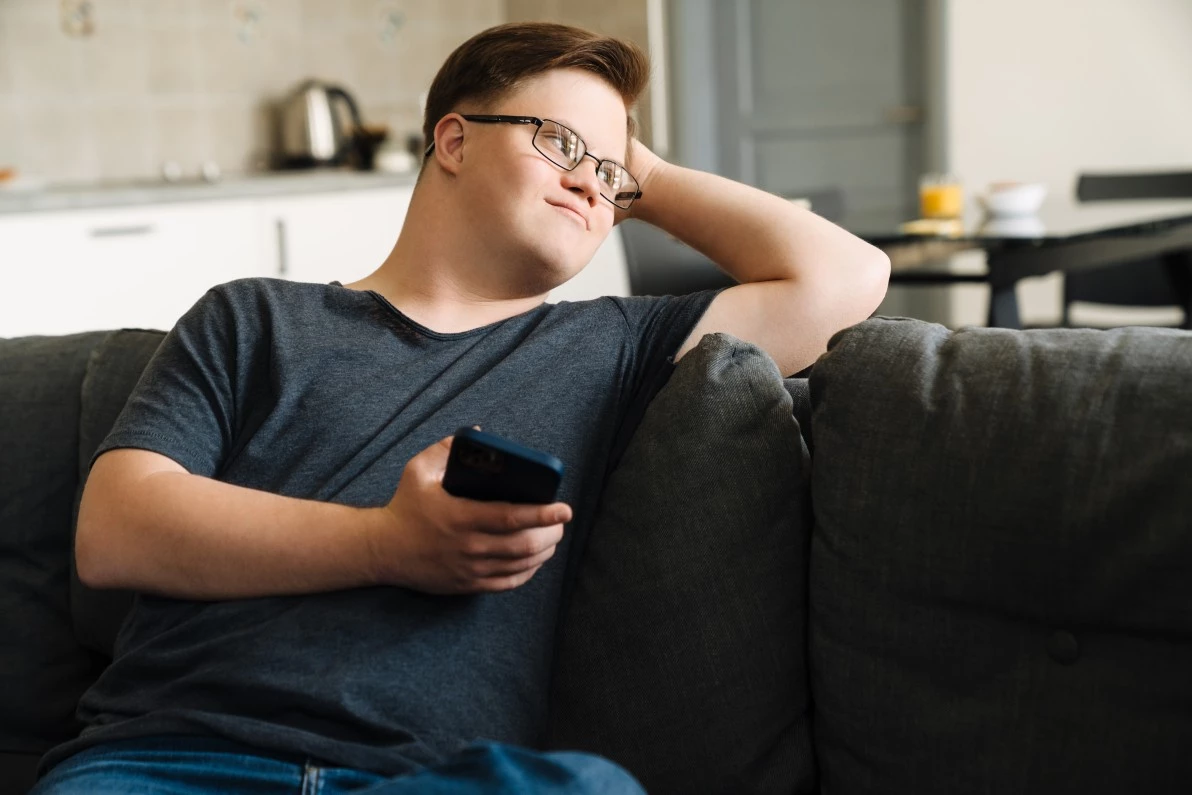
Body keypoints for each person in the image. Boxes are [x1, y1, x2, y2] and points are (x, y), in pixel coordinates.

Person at [31, 21, 889, 795]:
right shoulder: (254, 317)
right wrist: (386, 545)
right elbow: (115, 530)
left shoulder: (616, 347)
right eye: (559, 144)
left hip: (431, 777)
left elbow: (845, 279)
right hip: (169, 759)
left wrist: (640, 166)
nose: (593, 188)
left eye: (609, 177)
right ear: (453, 139)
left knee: (590, 789)